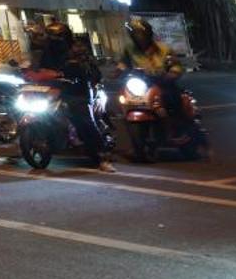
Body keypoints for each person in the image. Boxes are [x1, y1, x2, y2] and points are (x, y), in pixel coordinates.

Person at [36, 22, 113, 171]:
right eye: (51, 37)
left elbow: (84, 69)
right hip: (55, 89)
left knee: (83, 121)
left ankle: (102, 156)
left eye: (57, 37)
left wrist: (64, 73)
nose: (54, 41)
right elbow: (41, 68)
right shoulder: (47, 51)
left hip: (78, 89)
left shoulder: (77, 49)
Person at [123, 17, 190, 123]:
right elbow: (123, 63)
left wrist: (173, 73)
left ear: (148, 34)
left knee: (173, 99)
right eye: (135, 34)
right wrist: (117, 71)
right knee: (125, 99)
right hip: (142, 83)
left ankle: (180, 127)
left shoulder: (163, 49)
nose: (139, 37)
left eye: (141, 33)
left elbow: (175, 64)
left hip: (162, 81)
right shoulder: (129, 50)